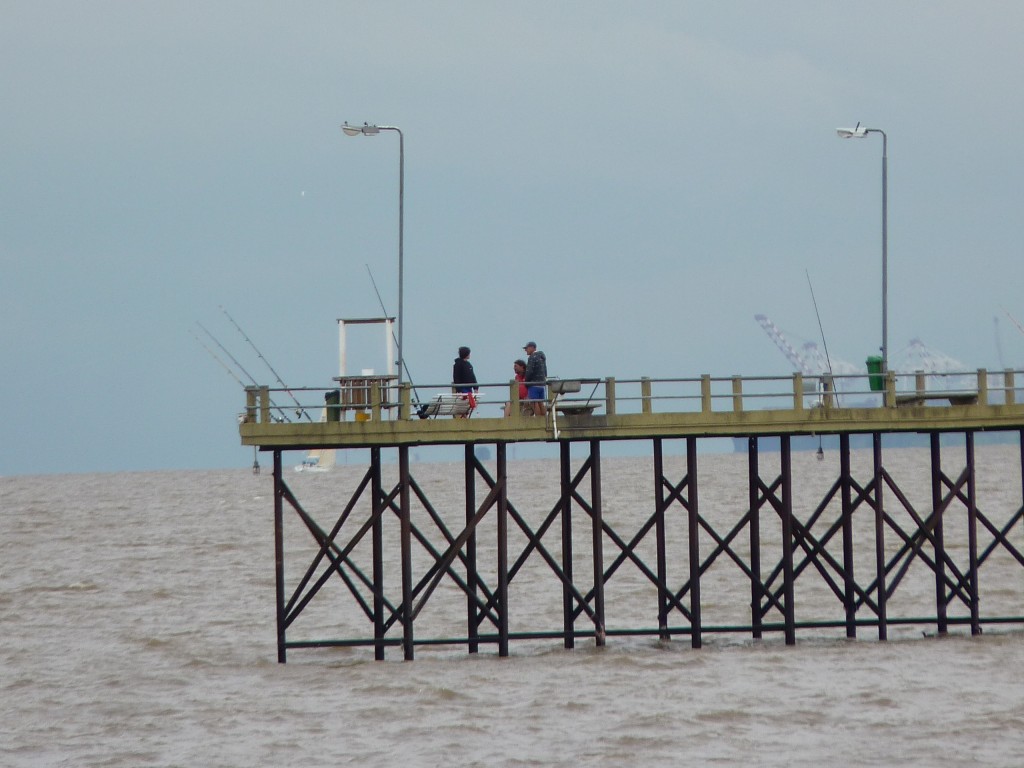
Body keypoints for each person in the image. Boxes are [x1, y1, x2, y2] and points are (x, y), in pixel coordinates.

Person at [452, 346, 478, 417]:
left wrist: (476, 387)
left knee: (469, 404)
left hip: (469, 388)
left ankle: (465, 416)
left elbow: (472, 376)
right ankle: (463, 416)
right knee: (463, 404)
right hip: (463, 388)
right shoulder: (458, 364)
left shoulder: (468, 364)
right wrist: (459, 389)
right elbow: (456, 377)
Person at [523, 341, 547, 416]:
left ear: (532, 348)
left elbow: (529, 371)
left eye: (527, 348)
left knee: (534, 402)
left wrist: (526, 383)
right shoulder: (541, 357)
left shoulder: (532, 357)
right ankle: (543, 418)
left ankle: (538, 419)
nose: (525, 350)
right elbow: (545, 370)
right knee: (541, 402)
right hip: (541, 383)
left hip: (533, 384)